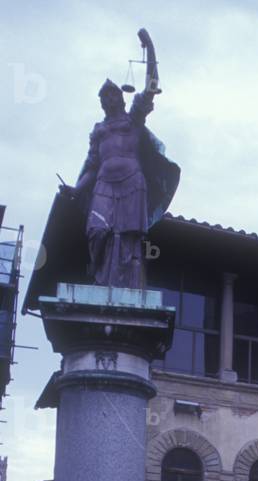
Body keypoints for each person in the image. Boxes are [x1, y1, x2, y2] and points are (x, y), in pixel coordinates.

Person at [61, 29, 179, 288]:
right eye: (104, 97)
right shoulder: (99, 130)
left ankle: (123, 286)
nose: (108, 99)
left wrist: (150, 48)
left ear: (121, 98)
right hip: (104, 184)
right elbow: (92, 166)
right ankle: (101, 278)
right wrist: (76, 189)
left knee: (126, 240)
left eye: (112, 94)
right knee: (97, 230)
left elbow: (151, 87)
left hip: (131, 184)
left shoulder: (133, 119)